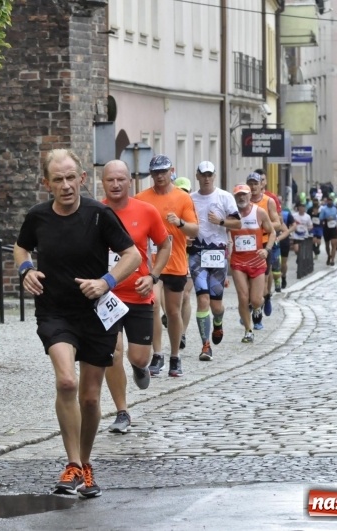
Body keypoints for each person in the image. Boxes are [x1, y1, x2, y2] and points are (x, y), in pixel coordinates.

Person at [14, 149, 142, 498]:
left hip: (95, 314)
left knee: (88, 397)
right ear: (47, 184)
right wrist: (26, 270)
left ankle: (84, 465)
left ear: (82, 179)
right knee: (67, 381)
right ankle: (71, 463)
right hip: (55, 311)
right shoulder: (38, 217)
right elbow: (21, 248)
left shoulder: (99, 215)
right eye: (59, 179)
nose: (67, 185)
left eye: (72, 177)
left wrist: (106, 282)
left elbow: (132, 255)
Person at [101, 160, 172, 434]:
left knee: (139, 357)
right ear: (103, 182)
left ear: (130, 181)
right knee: (112, 352)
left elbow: (166, 244)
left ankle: (140, 368)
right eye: (110, 180)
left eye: (121, 179)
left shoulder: (146, 211)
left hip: (139, 294)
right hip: (107, 296)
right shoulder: (95, 212)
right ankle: (122, 412)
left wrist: (153, 276)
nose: (116, 185)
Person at [136, 155, 198, 377]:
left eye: (163, 172)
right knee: (152, 306)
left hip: (176, 263)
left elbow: (194, 230)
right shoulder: (142, 198)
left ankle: (175, 357)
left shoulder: (182, 198)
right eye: (155, 173)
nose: (160, 176)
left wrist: (179, 223)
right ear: (151, 174)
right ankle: (157, 354)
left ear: (172, 171)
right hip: (152, 266)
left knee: (173, 312)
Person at [188, 161, 240, 361]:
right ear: (197, 176)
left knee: (216, 306)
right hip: (197, 253)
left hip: (217, 254)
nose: (207, 178)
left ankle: (218, 322)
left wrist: (220, 221)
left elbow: (237, 223)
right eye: (203, 174)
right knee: (202, 299)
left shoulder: (225, 197)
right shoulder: (190, 199)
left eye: (210, 174)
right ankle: (205, 345)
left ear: (214, 176)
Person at [228, 183, 275, 344]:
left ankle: (257, 307)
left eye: (244, 195)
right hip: (238, 262)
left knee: (256, 299)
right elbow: (224, 234)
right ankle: (248, 330)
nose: (241, 197)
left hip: (257, 260)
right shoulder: (231, 215)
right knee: (243, 297)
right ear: (234, 197)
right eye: (238, 195)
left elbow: (272, 232)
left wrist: (267, 250)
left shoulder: (259, 212)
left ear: (249, 196)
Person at [246, 172, 280, 328]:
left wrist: (261, 226)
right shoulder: (241, 201)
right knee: (246, 283)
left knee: (263, 283)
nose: (253, 187)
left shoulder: (268, 201)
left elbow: (277, 224)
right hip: (245, 247)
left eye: (255, 183)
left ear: (261, 185)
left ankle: (264, 299)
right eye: (250, 184)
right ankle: (249, 308)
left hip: (264, 246)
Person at [173, 176, 195, 352]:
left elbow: (198, 231)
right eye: (180, 191)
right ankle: (172, 320)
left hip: (187, 258)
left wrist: (191, 240)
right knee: (171, 303)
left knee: (185, 297)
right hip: (169, 259)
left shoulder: (191, 207)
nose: (183, 194)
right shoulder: (168, 207)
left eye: (186, 191)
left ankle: (182, 333)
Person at [319, 194, 337, 266]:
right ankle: (329, 255)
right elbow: (320, 218)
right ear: (327, 201)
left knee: (334, 244)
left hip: (333, 227)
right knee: (327, 245)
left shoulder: (335, 208)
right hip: (326, 227)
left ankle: (332, 260)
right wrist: (326, 219)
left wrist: (336, 220)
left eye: (331, 200)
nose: (330, 202)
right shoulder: (324, 209)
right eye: (329, 200)